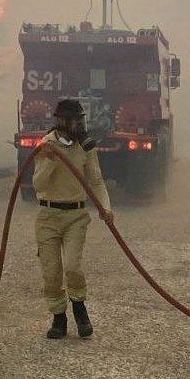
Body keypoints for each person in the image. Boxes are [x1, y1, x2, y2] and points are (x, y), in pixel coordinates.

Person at [32, 98, 113, 339]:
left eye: (81, 119)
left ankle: (79, 308)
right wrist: (49, 160)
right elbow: (38, 184)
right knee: (52, 271)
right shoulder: (45, 145)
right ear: (61, 122)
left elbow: (96, 180)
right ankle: (59, 318)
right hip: (47, 216)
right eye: (75, 120)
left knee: (72, 266)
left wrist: (105, 208)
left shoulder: (85, 148)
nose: (79, 124)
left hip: (76, 215)